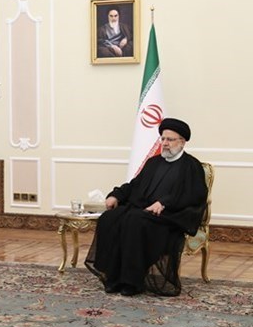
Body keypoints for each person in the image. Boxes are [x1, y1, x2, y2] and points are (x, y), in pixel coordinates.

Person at [85, 118, 207, 297]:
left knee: (134, 221)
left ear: (182, 141)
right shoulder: (154, 162)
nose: (164, 143)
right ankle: (113, 278)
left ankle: (132, 282)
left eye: (169, 140)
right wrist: (115, 195)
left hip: (168, 217)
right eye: (162, 139)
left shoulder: (191, 166)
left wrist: (164, 203)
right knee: (109, 218)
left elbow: (194, 195)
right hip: (141, 210)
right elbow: (134, 185)